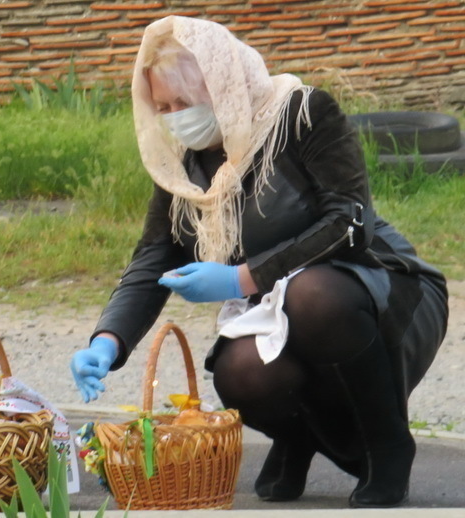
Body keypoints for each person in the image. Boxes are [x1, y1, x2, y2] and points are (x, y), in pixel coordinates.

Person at [70, 16, 448, 508]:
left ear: (222, 83)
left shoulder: (302, 113)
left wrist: (239, 277)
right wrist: (107, 340)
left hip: (374, 285)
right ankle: (299, 440)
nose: (175, 117)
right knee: (239, 373)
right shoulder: (189, 165)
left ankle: (387, 444)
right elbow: (154, 256)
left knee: (312, 297)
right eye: (162, 107)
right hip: (277, 304)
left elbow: (348, 224)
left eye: (184, 102)